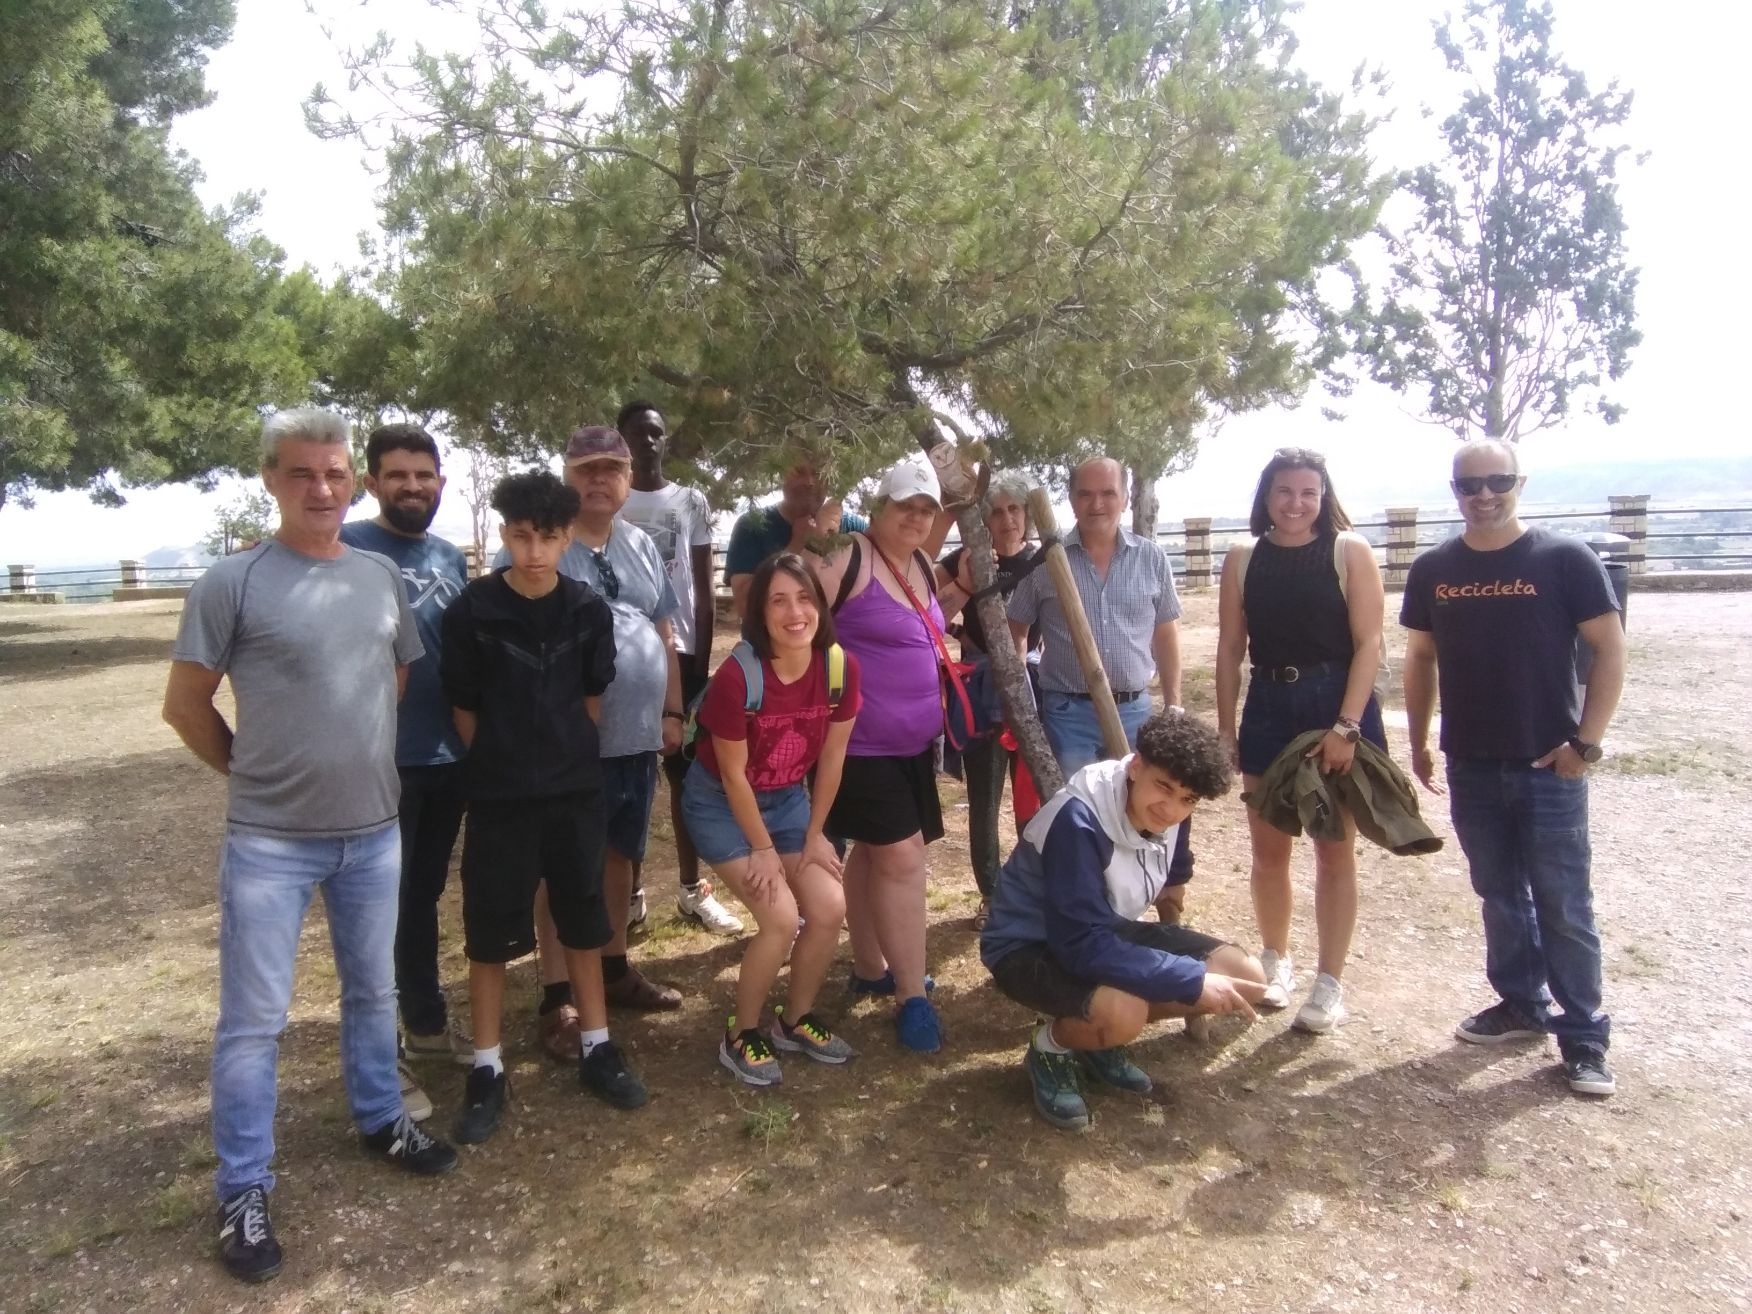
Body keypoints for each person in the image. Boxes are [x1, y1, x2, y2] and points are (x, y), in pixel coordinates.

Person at [162, 407, 457, 1285]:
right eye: (302, 475)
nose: (322, 489)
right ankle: (244, 1187)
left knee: (375, 991)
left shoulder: (377, 578)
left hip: (373, 836)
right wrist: (254, 779)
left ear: (351, 481)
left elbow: (392, 678)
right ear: (270, 479)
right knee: (253, 1024)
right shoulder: (234, 582)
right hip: (269, 847)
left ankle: (380, 1118)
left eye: (335, 474)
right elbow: (186, 707)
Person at [1401, 440, 1626, 1098]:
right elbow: (1420, 659)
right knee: (1499, 896)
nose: (1483, 494)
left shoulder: (1565, 560)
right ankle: (1521, 1004)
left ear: (1519, 483)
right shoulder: (1434, 568)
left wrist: (1585, 745)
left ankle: (1584, 1035)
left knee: (1563, 902)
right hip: (1471, 762)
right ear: (1455, 491)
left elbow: (1609, 651)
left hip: (1548, 765)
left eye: (1496, 481)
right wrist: (1419, 740)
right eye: (1469, 485)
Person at [442, 470, 649, 1143]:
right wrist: (505, 764)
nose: (534, 552)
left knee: (584, 921)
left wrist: (563, 759)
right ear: (504, 534)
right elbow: (464, 708)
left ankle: (597, 1044)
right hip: (500, 796)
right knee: (491, 933)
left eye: (548, 538)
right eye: (522, 537)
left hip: (574, 792)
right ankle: (487, 1065)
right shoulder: (472, 611)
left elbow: (591, 702)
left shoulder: (587, 611)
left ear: (567, 540)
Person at [980, 711, 1266, 1131]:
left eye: (1187, 800)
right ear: (1135, 767)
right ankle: (1052, 1047)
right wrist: (1189, 980)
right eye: (1163, 788)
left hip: (1104, 931)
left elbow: (1173, 865)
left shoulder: (1168, 812)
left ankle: (1098, 1037)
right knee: (1125, 1012)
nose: (1170, 810)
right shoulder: (1076, 821)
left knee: (1244, 973)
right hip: (1030, 946)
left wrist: (1179, 922)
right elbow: (1079, 943)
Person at [1214, 448, 1387, 1034]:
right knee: (1268, 850)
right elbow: (1231, 650)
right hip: (1267, 705)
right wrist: (1225, 727)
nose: (1296, 503)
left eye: (1308, 492)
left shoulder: (1348, 551)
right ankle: (1275, 962)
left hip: (1332, 703)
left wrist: (1346, 728)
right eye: (1284, 491)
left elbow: (1370, 645)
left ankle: (1330, 983)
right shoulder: (1241, 559)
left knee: (1333, 848)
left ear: (1324, 496)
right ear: (1266, 496)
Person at [525, 425, 686, 1035]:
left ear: (626, 479)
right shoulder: (544, 543)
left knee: (621, 856)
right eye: (586, 468)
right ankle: (557, 990)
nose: (599, 479)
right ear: (566, 476)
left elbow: (665, 633)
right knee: (562, 866)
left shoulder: (640, 544)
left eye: (610, 469)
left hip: (637, 738)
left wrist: (672, 711)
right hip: (567, 742)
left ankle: (614, 967)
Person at [683, 554, 863, 1084]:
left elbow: (832, 760)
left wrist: (815, 836)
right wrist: (762, 849)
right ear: (759, 613)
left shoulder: (839, 669)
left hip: (787, 802)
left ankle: (795, 1019)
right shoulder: (738, 677)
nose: (795, 612)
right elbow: (734, 777)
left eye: (805, 597)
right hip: (720, 802)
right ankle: (741, 1033)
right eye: (778, 600)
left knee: (829, 906)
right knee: (781, 918)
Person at [340, 424, 473, 1121]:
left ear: (440, 484)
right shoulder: (348, 549)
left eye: (424, 476)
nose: (413, 487)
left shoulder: (451, 556)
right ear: (372, 483)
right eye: (398, 475)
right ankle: (379, 1051)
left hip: (445, 758)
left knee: (420, 898)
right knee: (373, 908)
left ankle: (424, 1026)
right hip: (376, 760)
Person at [809, 457, 951, 1052]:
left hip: (913, 745)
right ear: (879, 507)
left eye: (926, 509)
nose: (916, 517)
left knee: (872, 854)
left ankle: (871, 968)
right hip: (857, 745)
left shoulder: (919, 562)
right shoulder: (847, 557)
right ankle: (912, 998)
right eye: (905, 506)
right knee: (902, 859)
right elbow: (786, 614)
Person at [1006, 456, 1195, 903]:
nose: (1097, 503)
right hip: (1066, 712)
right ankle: (1085, 910)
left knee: (1144, 811)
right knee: (1080, 818)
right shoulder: (1046, 561)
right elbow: (1015, 626)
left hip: (1133, 711)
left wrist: (1173, 702)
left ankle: (1144, 906)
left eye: (1109, 492)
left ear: (1126, 499)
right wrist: (1022, 692)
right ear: (1071, 499)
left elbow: (1166, 633)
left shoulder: (1150, 557)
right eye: (1086, 493)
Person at [615, 399, 744, 936]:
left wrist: (700, 671)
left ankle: (692, 891)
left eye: (656, 433)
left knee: (686, 778)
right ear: (621, 439)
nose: (648, 442)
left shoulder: (689, 501)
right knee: (632, 785)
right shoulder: (609, 502)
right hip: (623, 663)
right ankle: (630, 894)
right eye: (638, 433)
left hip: (682, 659)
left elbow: (702, 590)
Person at [935, 471, 1042, 930]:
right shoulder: (964, 559)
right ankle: (992, 895)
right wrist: (961, 593)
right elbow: (927, 614)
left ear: (1027, 514)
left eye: (1014, 509)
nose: (1006, 519)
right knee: (985, 800)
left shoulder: (1043, 563)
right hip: (978, 694)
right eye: (995, 511)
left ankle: (1031, 890)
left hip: (1037, 690)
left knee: (1033, 799)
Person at [725, 458, 868, 619]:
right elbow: (745, 607)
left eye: (818, 474)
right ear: (781, 474)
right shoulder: (752, 526)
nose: (809, 482)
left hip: (836, 642)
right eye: (799, 472)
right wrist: (798, 545)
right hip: (768, 642)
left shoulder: (854, 528)